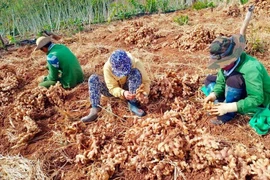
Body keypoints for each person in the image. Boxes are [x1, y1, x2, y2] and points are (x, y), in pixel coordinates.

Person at [204, 5, 270, 125]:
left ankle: (228, 113)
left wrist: (229, 107)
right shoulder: (226, 65)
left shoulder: (252, 68)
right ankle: (221, 102)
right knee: (209, 79)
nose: (221, 66)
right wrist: (213, 94)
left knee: (234, 80)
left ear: (232, 57)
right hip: (241, 87)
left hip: (258, 99)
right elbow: (220, 82)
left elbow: (256, 98)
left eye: (223, 63)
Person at [81, 49, 151, 122]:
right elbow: (112, 88)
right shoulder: (107, 67)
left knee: (135, 73)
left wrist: (144, 93)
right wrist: (122, 93)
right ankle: (95, 109)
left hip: (131, 89)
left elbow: (146, 81)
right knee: (93, 79)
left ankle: (133, 104)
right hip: (115, 91)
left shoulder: (136, 63)